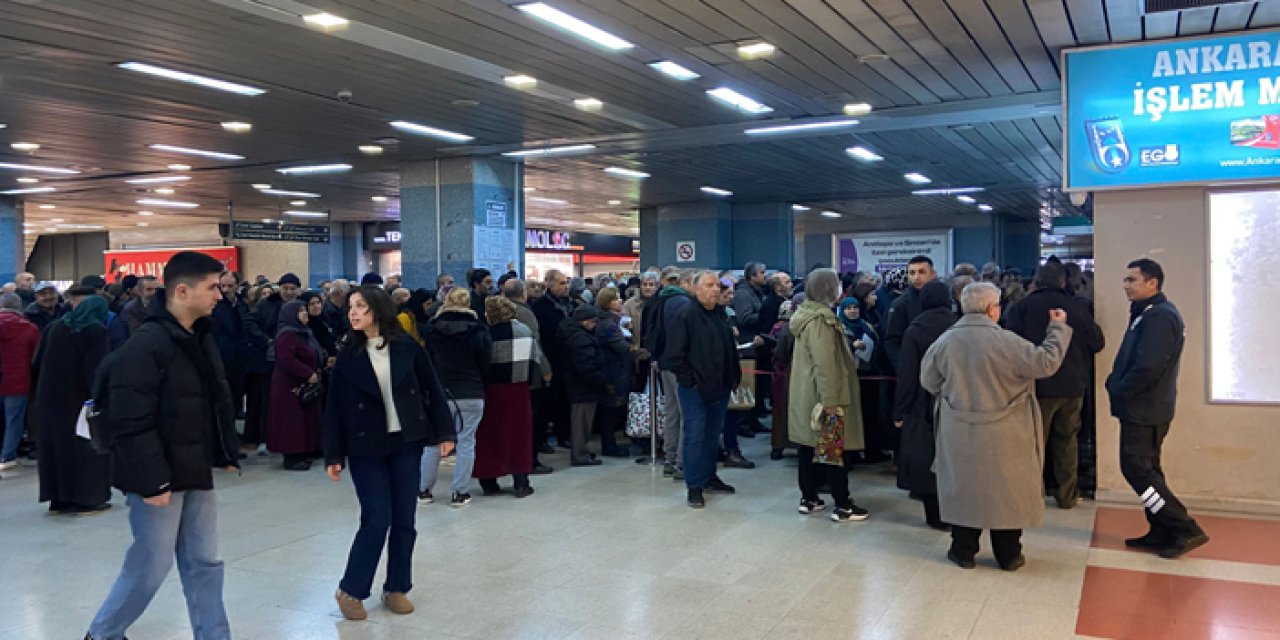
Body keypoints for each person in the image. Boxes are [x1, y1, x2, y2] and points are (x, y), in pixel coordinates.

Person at [86, 251, 242, 640]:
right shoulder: (145, 346)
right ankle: (103, 633)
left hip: (194, 468)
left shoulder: (199, 337)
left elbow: (210, 401)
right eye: (212, 287)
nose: (219, 296)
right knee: (150, 565)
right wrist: (153, 482)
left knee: (204, 563)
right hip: (157, 478)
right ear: (182, 291)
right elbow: (130, 421)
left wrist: (224, 451)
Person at [324, 286, 456, 621]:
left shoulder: (407, 347)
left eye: (361, 307)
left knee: (404, 521)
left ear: (378, 310)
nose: (353, 313)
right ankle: (351, 589)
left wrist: (444, 431)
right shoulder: (347, 355)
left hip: (405, 443)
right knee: (375, 518)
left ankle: (397, 587)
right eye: (351, 307)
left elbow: (433, 389)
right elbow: (334, 409)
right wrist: (333, 454)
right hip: (365, 447)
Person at [921, 282, 1071, 571]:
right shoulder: (1007, 341)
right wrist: (1057, 328)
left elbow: (929, 381)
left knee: (964, 488)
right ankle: (1009, 554)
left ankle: (963, 551)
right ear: (993, 309)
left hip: (959, 430)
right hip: (1007, 432)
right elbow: (1046, 363)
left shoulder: (944, 342)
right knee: (1006, 491)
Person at [1106, 259, 1208, 559]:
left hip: (1145, 409)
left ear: (1153, 283)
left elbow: (1148, 366)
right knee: (1147, 470)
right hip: (1142, 407)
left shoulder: (1160, 317)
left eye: (1132, 280)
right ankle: (1161, 529)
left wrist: (1120, 388)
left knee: (1137, 470)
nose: (1126, 285)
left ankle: (1183, 526)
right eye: (1125, 279)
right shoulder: (1149, 313)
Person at [1003, 260, 1103, 509]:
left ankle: (1033, 493)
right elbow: (1097, 342)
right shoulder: (1076, 308)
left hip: (1035, 386)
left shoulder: (1021, 307)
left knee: (1035, 442)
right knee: (1067, 441)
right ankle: (1067, 495)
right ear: (1063, 281)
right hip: (1073, 387)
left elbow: (1007, 344)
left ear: (1036, 280)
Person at [788, 269, 868, 521]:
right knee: (833, 449)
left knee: (807, 445)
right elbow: (825, 364)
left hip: (807, 393)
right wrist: (831, 401)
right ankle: (843, 504)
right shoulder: (821, 321)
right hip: (824, 396)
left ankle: (809, 497)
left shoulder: (805, 316)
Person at [664, 271, 740, 509]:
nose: (715, 289)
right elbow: (675, 355)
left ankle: (709, 477)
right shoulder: (685, 314)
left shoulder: (720, 315)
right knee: (695, 435)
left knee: (712, 433)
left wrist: (732, 376)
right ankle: (694, 485)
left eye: (717, 285)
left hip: (721, 384)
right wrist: (691, 381)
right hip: (695, 388)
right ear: (695, 289)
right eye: (709, 285)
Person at [33, 294, 112, 514]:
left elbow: (37, 362)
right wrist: (100, 397)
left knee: (55, 449)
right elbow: (95, 369)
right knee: (84, 449)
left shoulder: (54, 327)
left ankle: (58, 497)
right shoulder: (95, 330)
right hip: (78, 400)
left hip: (49, 398)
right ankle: (87, 498)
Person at [892, 281, 956, 530]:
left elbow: (907, 375)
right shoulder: (958, 326)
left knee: (927, 457)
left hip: (922, 402)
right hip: (955, 400)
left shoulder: (915, 329)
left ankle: (934, 515)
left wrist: (900, 411)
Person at [421, 288, 492, 506]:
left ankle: (423, 490)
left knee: (433, 442)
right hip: (471, 390)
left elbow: (426, 362)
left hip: (440, 392)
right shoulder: (479, 330)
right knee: (466, 442)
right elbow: (485, 361)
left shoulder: (431, 329)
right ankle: (459, 492)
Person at [474, 296, 544, 498]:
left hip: (491, 389)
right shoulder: (524, 331)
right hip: (518, 388)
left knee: (489, 434)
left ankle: (488, 480)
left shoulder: (485, 333)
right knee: (519, 435)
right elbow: (535, 359)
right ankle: (521, 481)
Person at [645, 269, 695, 478]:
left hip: (663, 362)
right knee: (686, 413)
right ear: (683, 283)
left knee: (671, 411)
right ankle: (682, 462)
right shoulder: (684, 303)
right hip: (680, 365)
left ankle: (670, 457)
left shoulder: (659, 300)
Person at [502, 278, 554, 474]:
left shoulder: (496, 311)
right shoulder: (525, 313)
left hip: (503, 374)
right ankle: (529, 460)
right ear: (522, 293)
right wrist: (545, 369)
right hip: (527, 372)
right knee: (530, 418)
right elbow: (535, 344)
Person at [267, 300, 324, 471]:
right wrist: (307, 373)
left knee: (305, 419)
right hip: (288, 384)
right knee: (291, 422)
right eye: (300, 311)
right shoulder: (288, 334)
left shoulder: (304, 332)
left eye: (305, 310)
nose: (305, 314)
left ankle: (306, 451)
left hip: (302, 382)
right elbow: (286, 359)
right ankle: (292, 456)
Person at [531, 270, 575, 451]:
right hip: (550, 358)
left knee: (566, 400)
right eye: (561, 283)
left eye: (566, 283)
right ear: (549, 284)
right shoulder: (540, 307)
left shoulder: (571, 304)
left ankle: (564, 434)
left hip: (569, 358)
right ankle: (542, 440)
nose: (566, 287)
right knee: (547, 402)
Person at [593, 287, 639, 458]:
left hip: (615, 369)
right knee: (610, 410)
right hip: (614, 371)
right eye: (616, 298)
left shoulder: (613, 321)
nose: (619, 301)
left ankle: (610, 443)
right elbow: (621, 347)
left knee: (611, 409)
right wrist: (638, 352)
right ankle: (609, 445)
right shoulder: (608, 324)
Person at [559, 306, 606, 466]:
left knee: (580, 421)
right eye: (593, 322)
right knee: (582, 423)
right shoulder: (581, 339)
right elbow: (585, 366)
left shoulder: (570, 333)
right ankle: (580, 455)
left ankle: (581, 452)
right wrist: (600, 380)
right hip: (583, 387)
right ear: (585, 321)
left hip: (576, 384)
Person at [0, 293, 40, 470]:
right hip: (18, 380)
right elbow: (35, 357)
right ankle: (7, 456)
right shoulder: (30, 329)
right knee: (14, 420)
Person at [884, 255, 938, 372]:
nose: (916, 277)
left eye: (922, 272)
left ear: (933, 274)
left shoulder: (942, 300)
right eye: (912, 273)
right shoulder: (901, 304)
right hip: (913, 368)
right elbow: (891, 341)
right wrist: (904, 368)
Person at [768, 298, 798, 460]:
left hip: (784, 374)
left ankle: (778, 447)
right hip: (795, 375)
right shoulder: (797, 327)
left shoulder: (787, 328)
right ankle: (801, 446)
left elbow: (780, 353)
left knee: (780, 412)